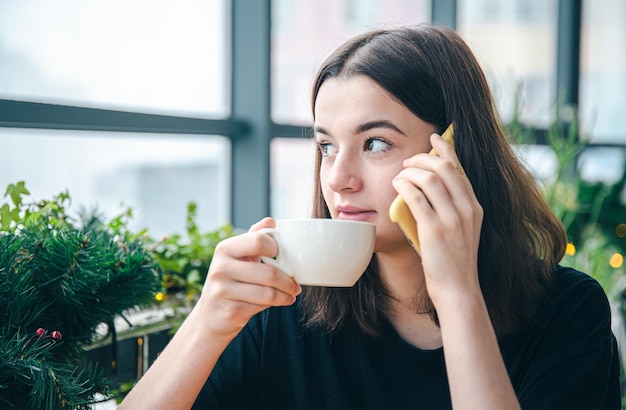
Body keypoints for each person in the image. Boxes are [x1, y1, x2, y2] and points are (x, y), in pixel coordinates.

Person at [120, 24, 621, 409]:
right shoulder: (283, 310)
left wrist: (457, 292)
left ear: (452, 153)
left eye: (375, 143)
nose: (338, 178)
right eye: (325, 146)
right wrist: (207, 324)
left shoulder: (569, 312)